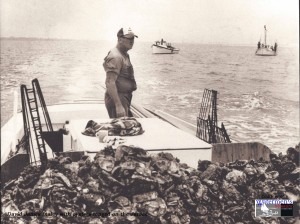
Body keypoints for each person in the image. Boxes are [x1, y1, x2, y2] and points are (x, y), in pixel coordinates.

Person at [103, 27, 138, 118]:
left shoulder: (124, 54)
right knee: (122, 129)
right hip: (118, 98)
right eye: (129, 38)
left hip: (124, 98)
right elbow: (110, 82)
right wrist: (118, 105)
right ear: (120, 39)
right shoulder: (116, 56)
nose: (132, 41)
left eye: (133, 38)